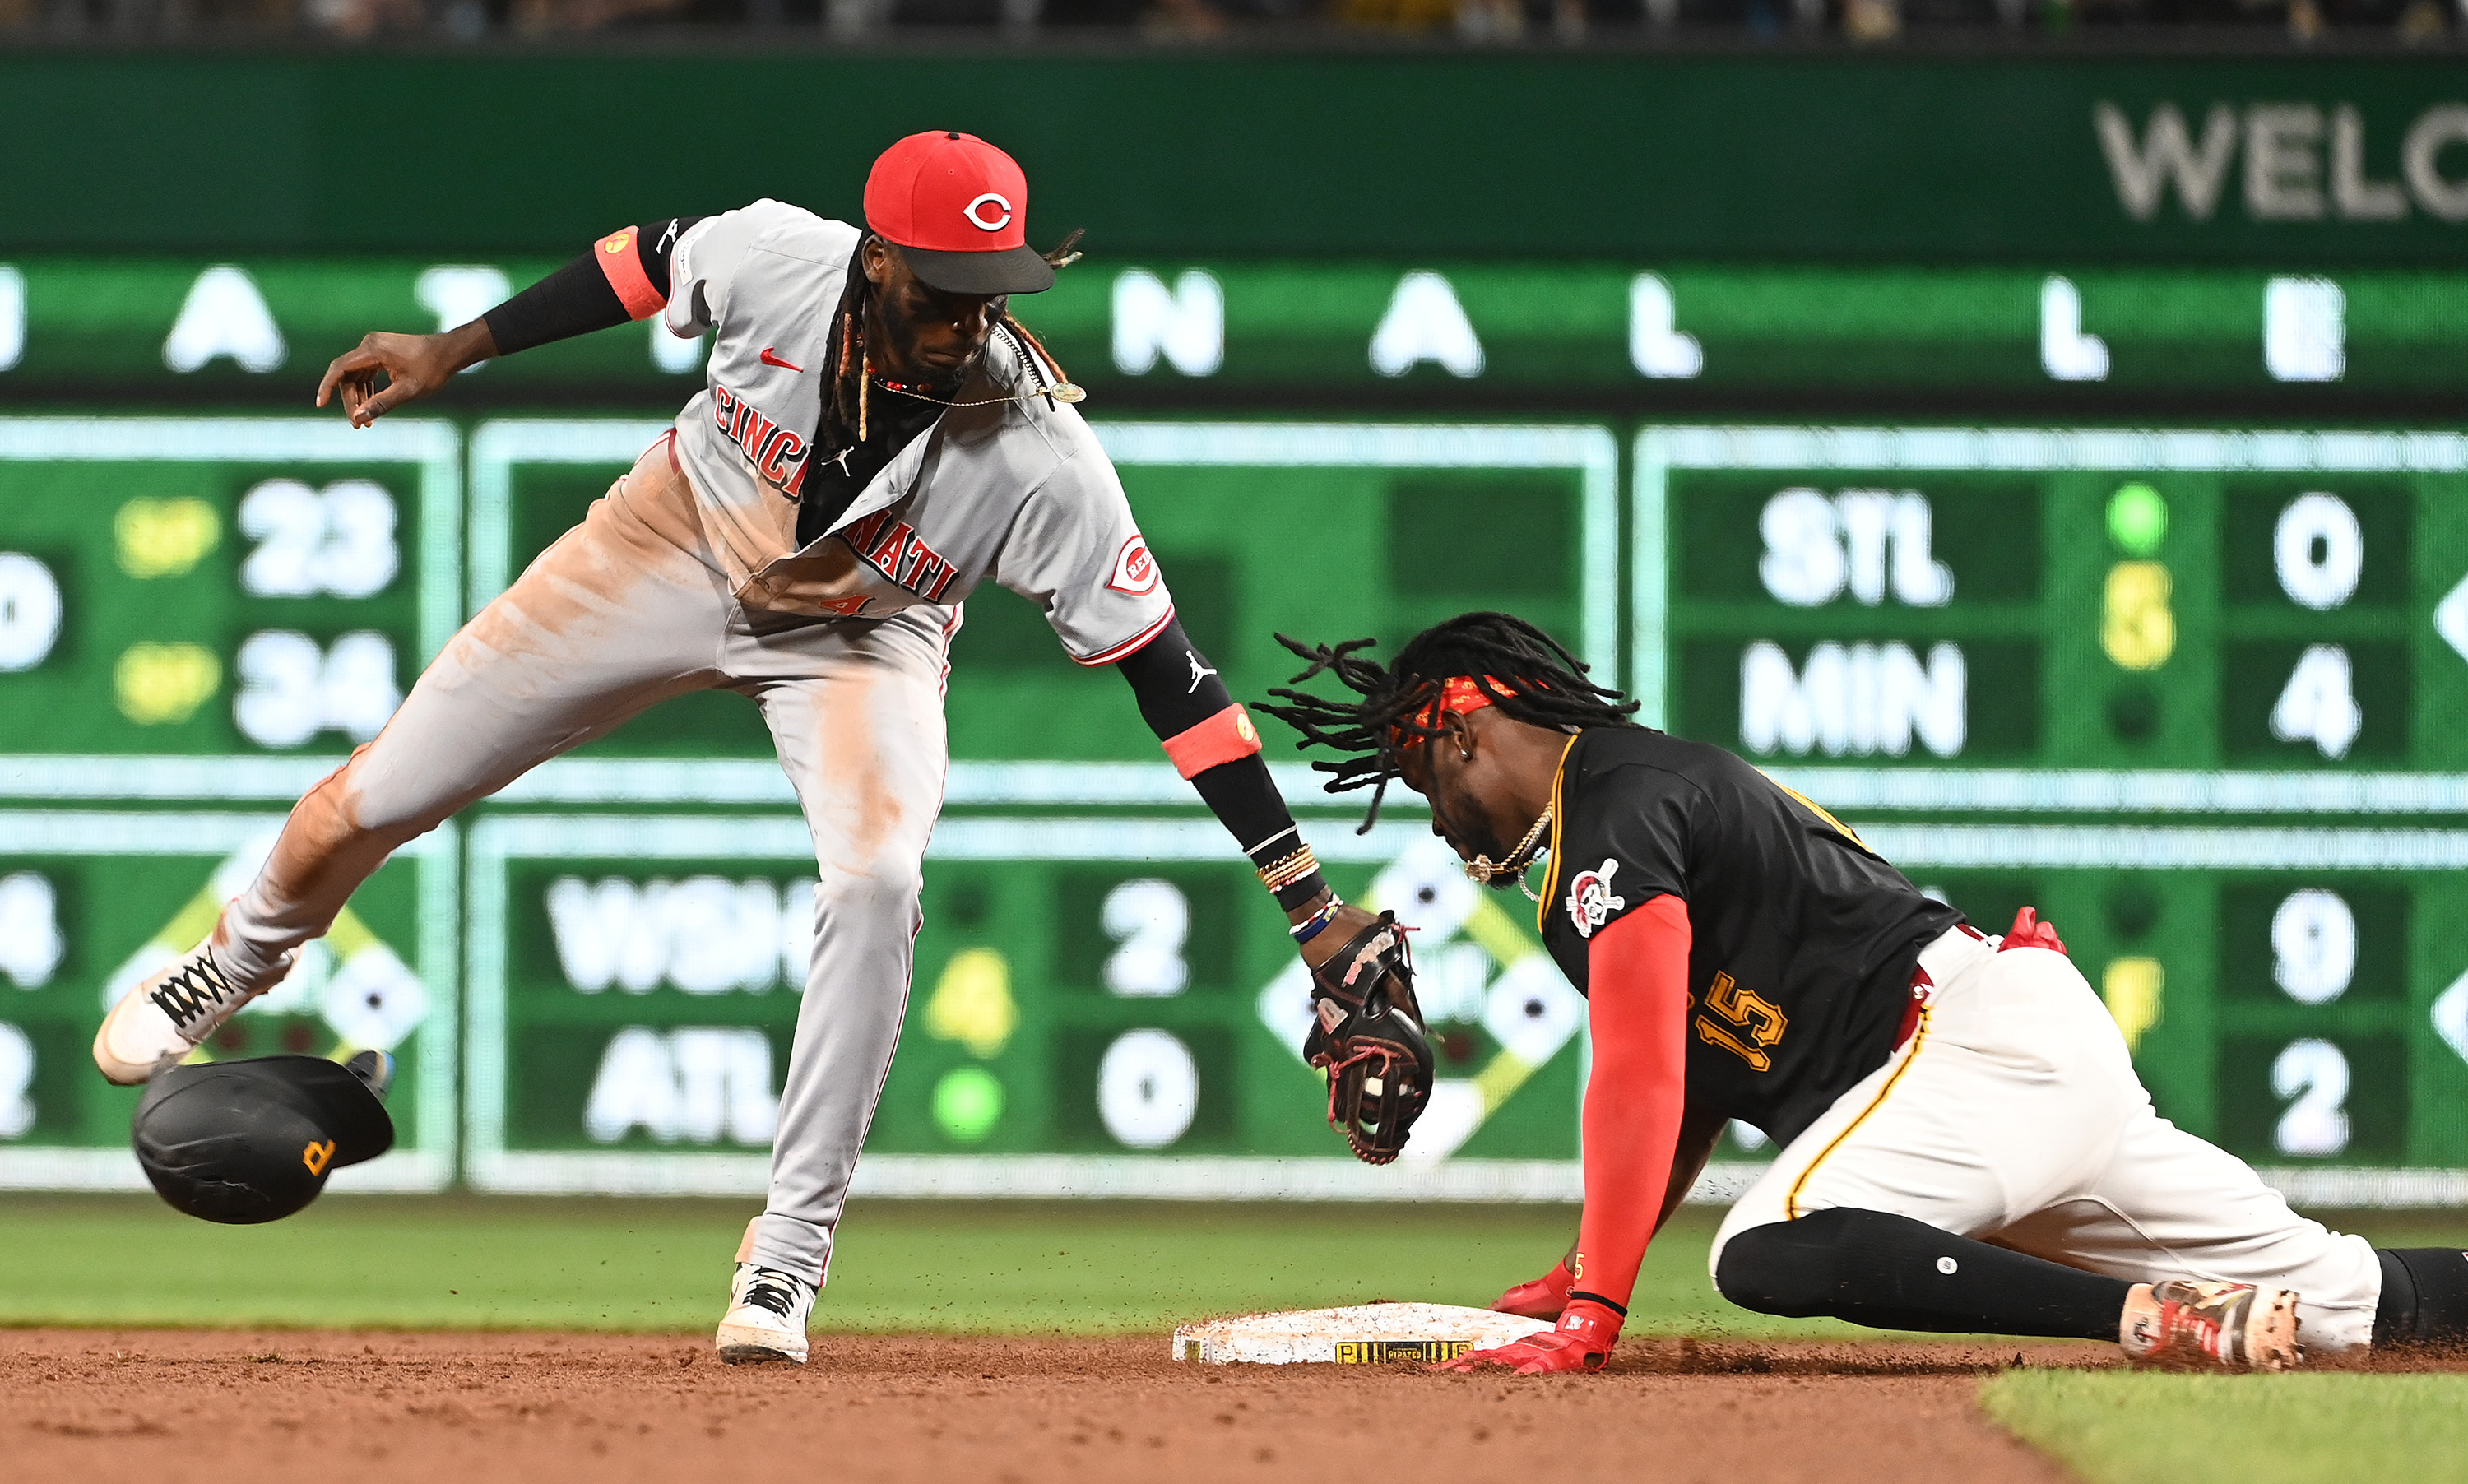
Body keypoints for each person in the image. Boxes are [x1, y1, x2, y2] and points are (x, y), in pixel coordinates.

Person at [93, 129, 1380, 1366]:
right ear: (876, 259)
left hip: (863, 637)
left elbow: (1172, 679)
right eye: (944, 290)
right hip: (666, 540)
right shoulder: (774, 254)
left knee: (878, 882)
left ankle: (788, 1256)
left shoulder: (1043, 456)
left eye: (993, 293)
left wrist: (1306, 902)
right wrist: (459, 350)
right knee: (375, 794)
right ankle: (232, 962)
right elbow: (643, 260)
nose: (968, 321)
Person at [1260, 610, 2468, 1373]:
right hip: (2002, 1067)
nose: (1430, 809)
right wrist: (1586, 1261)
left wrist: (1597, 1310)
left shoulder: (1617, 810)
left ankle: (2147, 1320)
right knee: (2355, 1300)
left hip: (1964, 1056)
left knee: (1769, 1249)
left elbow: (1640, 1071)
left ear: (1464, 719)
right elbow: (1694, 1089)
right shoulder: (1606, 829)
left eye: (1417, 767)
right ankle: (2198, 1310)